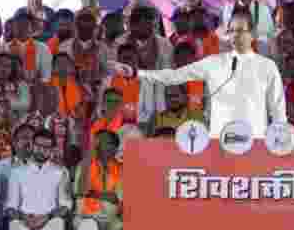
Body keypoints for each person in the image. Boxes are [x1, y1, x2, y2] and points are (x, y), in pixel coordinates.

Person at [116, 11, 285, 138]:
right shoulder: (213, 62)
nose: (236, 35)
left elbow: (278, 110)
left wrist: (279, 139)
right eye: (232, 30)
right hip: (218, 139)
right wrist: (137, 72)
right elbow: (173, 76)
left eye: (241, 30)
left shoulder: (268, 67)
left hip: (255, 137)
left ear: (252, 33)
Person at [6, 129, 71, 230]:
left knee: (56, 227)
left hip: (49, 220)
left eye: (46, 147)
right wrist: (24, 218)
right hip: (23, 219)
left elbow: (65, 206)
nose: (41, 150)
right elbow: (11, 207)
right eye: (38, 146)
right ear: (32, 145)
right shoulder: (17, 172)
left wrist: (46, 217)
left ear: (52, 149)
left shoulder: (61, 172)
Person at [73, 129, 122, 230]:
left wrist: (92, 193)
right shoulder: (85, 165)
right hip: (87, 217)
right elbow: (81, 192)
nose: (98, 145)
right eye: (97, 142)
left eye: (103, 142)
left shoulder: (122, 168)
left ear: (114, 148)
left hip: (112, 222)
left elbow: (117, 198)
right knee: (87, 228)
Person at [2, 12, 53, 82]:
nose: (21, 28)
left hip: (35, 86)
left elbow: (47, 76)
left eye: (25, 25)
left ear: (32, 28)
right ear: (13, 28)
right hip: (10, 86)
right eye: (18, 25)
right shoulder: (4, 48)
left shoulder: (43, 48)